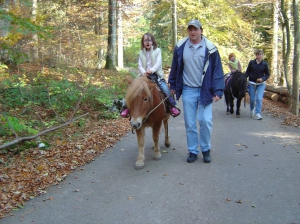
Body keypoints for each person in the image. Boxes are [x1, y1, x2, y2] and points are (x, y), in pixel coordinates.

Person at [168, 19, 224, 163]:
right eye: (190, 29)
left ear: (201, 31)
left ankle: (205, 149)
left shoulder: (210, 49)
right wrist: (173, 83)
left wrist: (218, 90)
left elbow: (217, 70)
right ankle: (193, 150)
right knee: (190, 123)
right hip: (188, 89)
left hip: (205, 90)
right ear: (188, 31)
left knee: (205, 120)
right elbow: (175, 67)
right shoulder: (181, 46)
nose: (193, 32)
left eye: (195, 29)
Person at [121, 32, 181, 118]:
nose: (147, 42)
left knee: (165, 89)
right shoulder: (141, 52)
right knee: (132, 88)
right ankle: (126, 107)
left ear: (153, 41)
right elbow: (140, 65)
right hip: (144, 75)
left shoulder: (158, 51)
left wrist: (151, 70)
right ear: (143, 42)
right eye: (145, 40)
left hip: (156, 75)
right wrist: (144, 72)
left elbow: (158, 62)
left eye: (149, 40)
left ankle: (172, 106)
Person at [245, 49, 270, 120]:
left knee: (259, 99)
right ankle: (252, 109)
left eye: (260, 55)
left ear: (262, 55)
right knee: (252, 99)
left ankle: (258, 113)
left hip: (261, 84)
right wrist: (243, 78)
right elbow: (247, 72)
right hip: (251, 83)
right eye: (257, 55)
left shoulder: (265, 64)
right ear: (256, 55)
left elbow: (267, 74)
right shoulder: (251, 62)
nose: (259, 56)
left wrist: (263, 78)